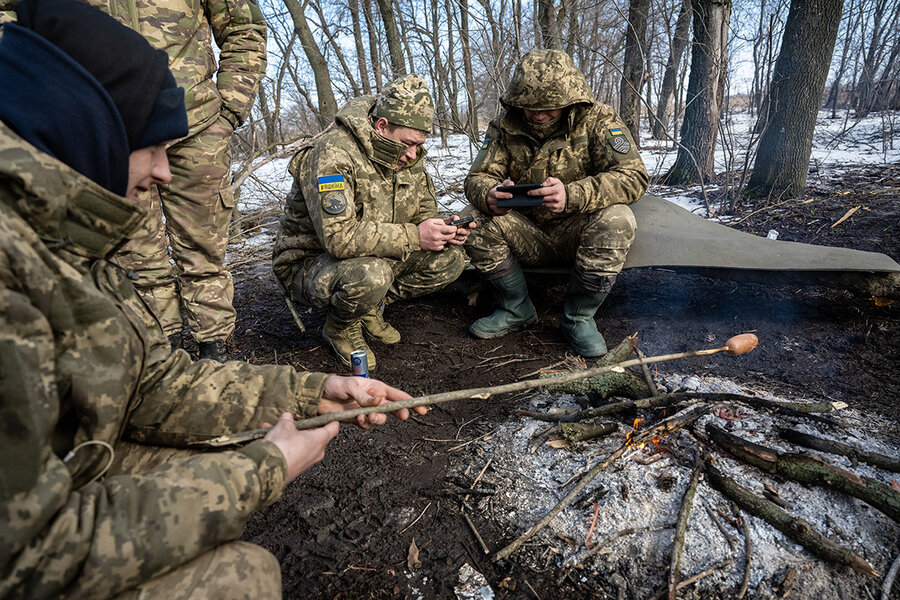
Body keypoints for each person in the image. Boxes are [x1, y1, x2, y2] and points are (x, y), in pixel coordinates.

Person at [0, 2, 421, 598]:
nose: (168, 173)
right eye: (154, 147)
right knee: (243, 576)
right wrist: (260, 470)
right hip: (29, 545)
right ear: (89, 135)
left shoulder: (64, 238)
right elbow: (26, 555)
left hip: (65, 463)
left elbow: (148, 384)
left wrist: (310, 392)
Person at [89, 0, 268, 361]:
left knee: (204, 252)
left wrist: (230, 108)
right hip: (112, 127)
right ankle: (163, 357)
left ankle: (214, 354)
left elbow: (245, 28)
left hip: (198, 125)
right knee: (136, 257)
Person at [273, 75, 474, 371]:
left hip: (371, 255)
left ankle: (369, 308)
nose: (412, 154)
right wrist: (415, 236)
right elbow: (338, 238)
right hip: (310, 263)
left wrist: (442, 229)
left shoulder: (408, 156)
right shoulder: (333, 154)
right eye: (407, 144)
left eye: (419, 145)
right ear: (382, 127)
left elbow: (422, 214)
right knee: (372, 274)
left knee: (451, 259)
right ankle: (339, 327)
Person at [462, 49, 649, 357]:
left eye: (548, 108)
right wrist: (490, 193)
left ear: (569, 101)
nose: (537, 115)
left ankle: (578, 317)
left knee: (617, 218)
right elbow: (477, 177)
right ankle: (516, 308)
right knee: (471, 218)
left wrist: (573, 195)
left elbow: (633, 176)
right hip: (527, 232)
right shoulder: (504, 126)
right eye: (529, 107)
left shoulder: (598, 120)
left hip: (579, 232)